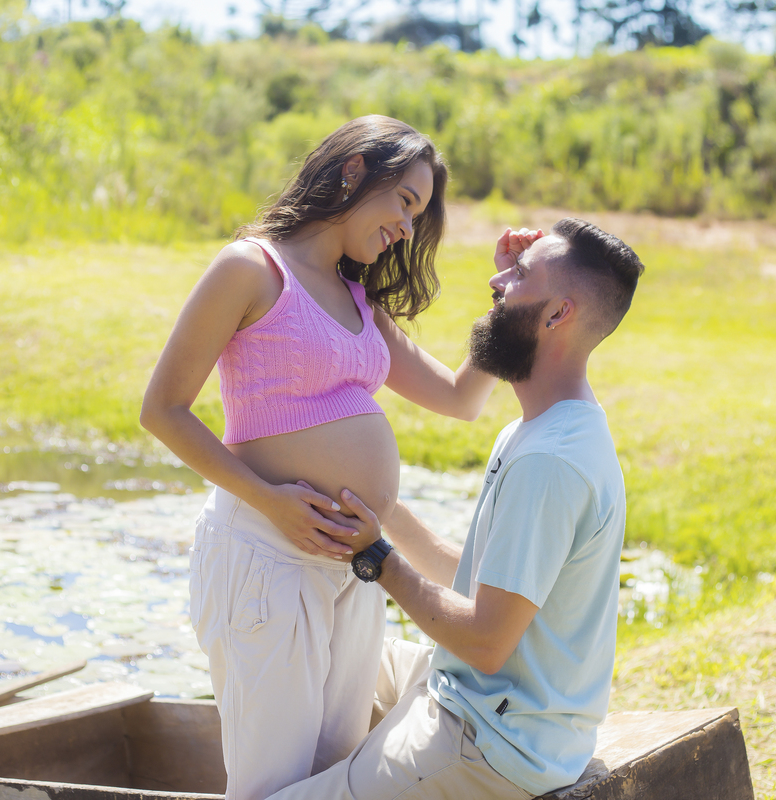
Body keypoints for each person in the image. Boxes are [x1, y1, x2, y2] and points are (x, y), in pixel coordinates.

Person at [139, 114, 542, 800]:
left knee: (333, 784)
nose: (408, 230)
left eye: (418, 215)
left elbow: (459, 397)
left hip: (354, 570)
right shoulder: (251, 269)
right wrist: (271, 501)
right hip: (266, 560)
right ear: (355, 169)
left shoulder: (359, 297)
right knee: (273, 787)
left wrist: (512, 293)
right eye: (405, 203)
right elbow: (163, 410)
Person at [269, 218, 646, 800]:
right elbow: (474, 582)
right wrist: (380, 510)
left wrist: (378, 559)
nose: (496, 281)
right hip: (484, 698)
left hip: (492, 741)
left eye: (517, 277)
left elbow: (485, 642)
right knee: (319, 649)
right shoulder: (544, 429)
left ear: (556, 316)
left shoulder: (549, 462)